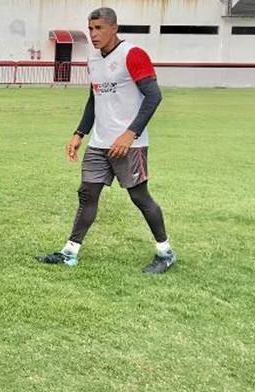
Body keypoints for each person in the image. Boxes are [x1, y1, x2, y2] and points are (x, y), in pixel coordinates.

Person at [35, 7, 177, 274]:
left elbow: (154, 96)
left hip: (129, 144)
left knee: (139, 197)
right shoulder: (93, 60)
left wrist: (130, 133)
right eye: (90, 29)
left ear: (114, 28)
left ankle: (165, 252)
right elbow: (95, 98)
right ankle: (70, 253)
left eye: (99, 28)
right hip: (99, 143)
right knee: (87, 194)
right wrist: (79, 133)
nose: (93, 34)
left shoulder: (132, 55)